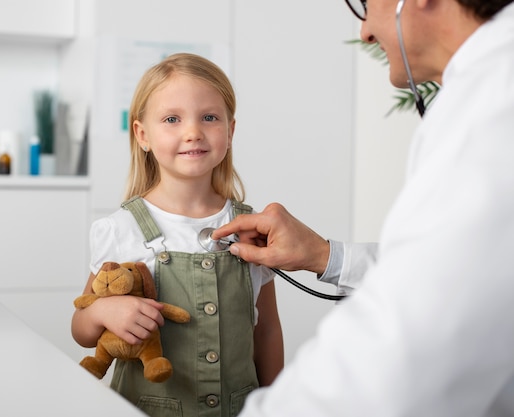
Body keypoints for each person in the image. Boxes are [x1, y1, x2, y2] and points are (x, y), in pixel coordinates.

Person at [213, 0, 514, 415]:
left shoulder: (495, 105)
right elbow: (452, 271)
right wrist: (324, 255)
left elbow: (407, 345)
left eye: (367, 4)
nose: (366, 31)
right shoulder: (488, 90)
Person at [71, 52, 284, 417]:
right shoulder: (121, 229)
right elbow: (81, 328)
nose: (193, 132)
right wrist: (104, 310)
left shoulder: (253, 229)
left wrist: (280, 405)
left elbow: (266, 333)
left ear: (230, 131)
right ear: (143, 135)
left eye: (210, 117)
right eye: (172, 119)